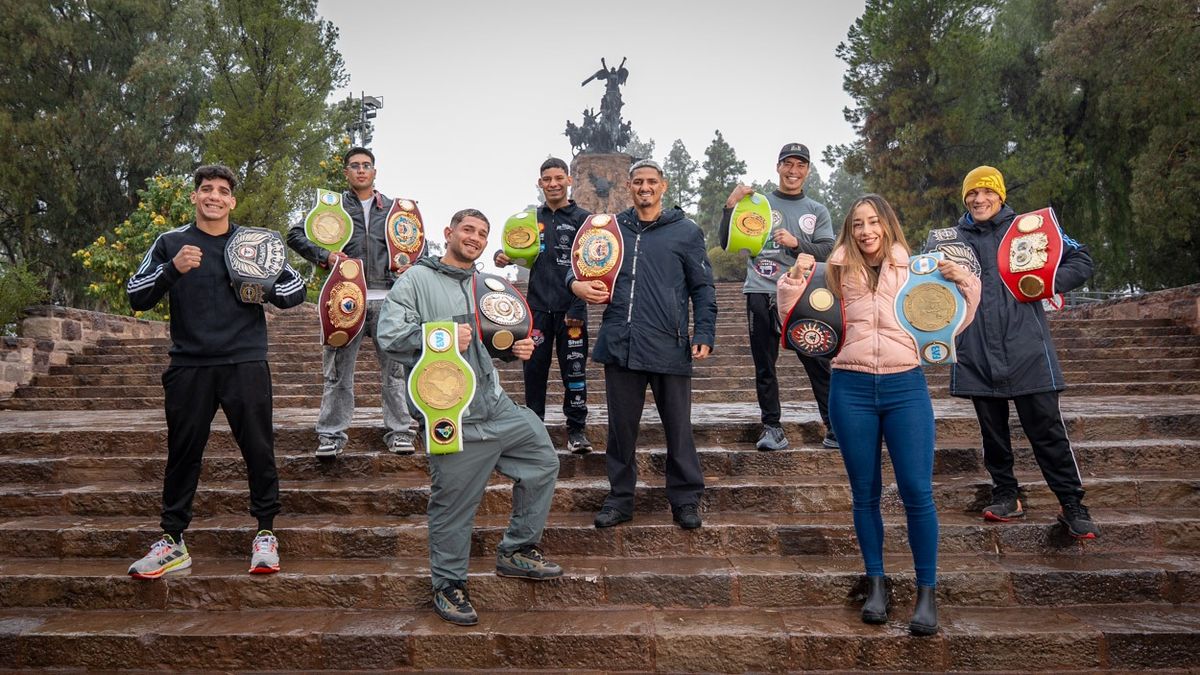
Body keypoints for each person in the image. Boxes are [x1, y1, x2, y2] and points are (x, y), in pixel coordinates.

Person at [780, 194, 979, 635]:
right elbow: (799, 319)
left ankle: (927, 592)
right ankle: (876, 584)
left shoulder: (917, 268)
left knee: (916, 491)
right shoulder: (833, 269)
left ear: (887, 225)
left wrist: (963, 280)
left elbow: (953, 320)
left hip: (905, 385)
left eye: (874, 223)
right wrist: (792, 282)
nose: (867, 231)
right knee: (865, 494)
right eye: (858, 225)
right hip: (849, 388)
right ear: (850, 230)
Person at [376, 208, 563, 627]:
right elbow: (388, 336)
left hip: (496, 406)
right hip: (452, 414)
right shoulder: (417, 280)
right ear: (449, 233)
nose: (475, 237)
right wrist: (439, 333)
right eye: (467, 230)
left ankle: (516, 550)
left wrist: (513, 349)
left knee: (543, 462)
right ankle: (448, 585)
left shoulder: (485, 284)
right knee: (453, 507)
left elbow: (489, 341)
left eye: (482, 232)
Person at [125, 164, 306, 578]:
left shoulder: (254, 242)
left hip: (245, 361)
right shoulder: (171, 242)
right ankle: (173, 541)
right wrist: (173, 269)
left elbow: (297, 290)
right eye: (206, 189)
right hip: (189, 364)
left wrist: (264, 289)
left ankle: (265, 534)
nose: (214, 196)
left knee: (259, 449)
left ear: (232, 201)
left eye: (223, 191)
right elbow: (136, 296)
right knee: (182, 453)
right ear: (194, 197)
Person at [940, 166, 1100, 539]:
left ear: (1001, 195)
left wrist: (1045, 284)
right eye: (971, 194)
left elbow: (1082, 259)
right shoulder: (950, 240)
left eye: (987, 192)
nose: (979, 200)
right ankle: (1006, 495)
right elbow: (924, 282)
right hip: (975, 349)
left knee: (1047, 431)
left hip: (1028, 348)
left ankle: (1072, 503)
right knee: (992, 433)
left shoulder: (1030, 227)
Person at [570, 159, 717, 530]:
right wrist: (576, 285)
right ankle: (620, 499)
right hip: (621, 343)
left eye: (652, 181)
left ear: (663, 186)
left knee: (679, 430)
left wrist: (704, 331)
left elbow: (702, 287)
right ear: (629, 186)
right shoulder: (611, 230)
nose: (645, 187)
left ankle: (685, 500)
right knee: (621, 431)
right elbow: (579, 267)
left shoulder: (685, 231)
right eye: (638, 182)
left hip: (669, 343)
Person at [287, 146, 415, 458]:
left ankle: (400, 432)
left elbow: (417, 246)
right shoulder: (331, 209)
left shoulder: (398, 210)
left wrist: (412, 266)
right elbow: (294, 234)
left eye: (366, 165)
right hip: (344, 299)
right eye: (354, 166)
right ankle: (331, 436)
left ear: (374, 172)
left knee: (395, 373)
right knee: (337, 374)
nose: (360, 170)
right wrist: (325, 255)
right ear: (346, 173)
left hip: (390, 301)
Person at [723, 143, 837, 452]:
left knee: (817, 361)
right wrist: (730, 208)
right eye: (788, 163)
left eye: (800, 165)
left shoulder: (816, 210)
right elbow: (727, 241)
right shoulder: (758, 203)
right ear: (778, 167)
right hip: (761, 290)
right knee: (765, 365)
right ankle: (772, 427)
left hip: (803, 292)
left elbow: (828, 250)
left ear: (808, 171)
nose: (793, 170)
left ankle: (834, 427)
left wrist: (796, 243)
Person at [493, 158, 592, 454]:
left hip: (571, 312)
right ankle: (534, 429)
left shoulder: (583, 219)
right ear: (540, 183)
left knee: (574, 373)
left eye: (558, 178)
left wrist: (577, 308)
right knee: (533, 372)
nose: (553, 183)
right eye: (547, 179)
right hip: (535, 310)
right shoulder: (529, 219)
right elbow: (515, 250)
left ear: (569, 180)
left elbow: (588, 267)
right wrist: (503, 255)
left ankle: (576, 430)